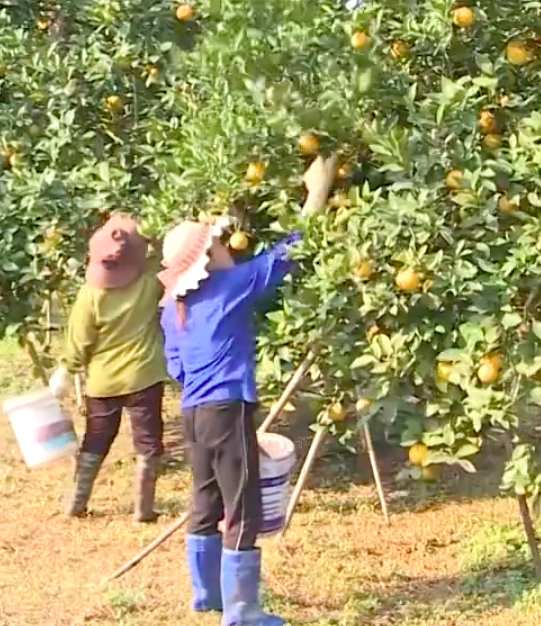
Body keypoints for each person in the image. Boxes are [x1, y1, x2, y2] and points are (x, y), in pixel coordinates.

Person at [160, 154, 334, 626]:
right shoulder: (228, 286)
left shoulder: (172, 305)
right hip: (226, 408)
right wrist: (316, 192)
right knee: (242, 504)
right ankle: (241, 612)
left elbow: (174, 365)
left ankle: (206, 595)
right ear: (212, 256)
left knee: (204, 500)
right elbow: (286, 255)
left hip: (193, 414)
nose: (231, 248)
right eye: (221, 244)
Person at [50, 213, 169, 522]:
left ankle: (75, 504)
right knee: (148, 442)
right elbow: (166, 254)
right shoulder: (148, 281)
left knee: (96, 440)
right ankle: (143, 509)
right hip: (144, 376)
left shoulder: (91, 295)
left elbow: (79, 340)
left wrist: (65, 370)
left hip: (103, 383)